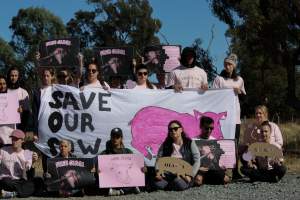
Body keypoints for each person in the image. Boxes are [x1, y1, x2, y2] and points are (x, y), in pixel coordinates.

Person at [212, 53, 245, 179]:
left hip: (235, 117)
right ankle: (220, 169)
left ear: (234, 66)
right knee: (221, 142)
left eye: (230, 64)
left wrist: (240, 92)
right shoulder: (219, 79)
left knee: (234, 143)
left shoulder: (239, 80)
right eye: (226, 64)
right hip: (222, 118)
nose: (227, 66)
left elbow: (244, 98)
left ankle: (235, 171)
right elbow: (213, 96)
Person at [154, 120, 200, 191]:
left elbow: (197, 161)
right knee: (157, 184)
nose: (173, 131)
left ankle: (174, 184)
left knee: (178, 183)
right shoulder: (165, 144)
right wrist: (158, 173)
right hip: (168, 173)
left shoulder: (190, 143)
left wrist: (190, 175)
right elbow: (158, 159)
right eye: (170, 129)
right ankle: (171, 184)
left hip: (184, 174)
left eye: (175, 128)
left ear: (181, 130)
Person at [0, 129, 43, 198]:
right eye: (12, 139)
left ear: (22, 140)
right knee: (5, 181)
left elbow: (29, 174)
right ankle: (27, 191)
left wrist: (33, 162)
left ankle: (13, 194)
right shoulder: (3, 150)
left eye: (16, 139)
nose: (14, 141)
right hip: (6, 180)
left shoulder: (27, 153)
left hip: (19, 181)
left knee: (39, 180)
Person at [100, 128, 141, 196]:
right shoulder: (105, 153)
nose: (115, 139)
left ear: (121, 138)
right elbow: (98, 165)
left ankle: (119, 191)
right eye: (113, 136)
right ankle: (127, 190)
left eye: (117, 137)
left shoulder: (128, 152)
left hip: (124, 179)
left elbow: (137, 163)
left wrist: (143, 167)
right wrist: (98, 169)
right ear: (111, 138)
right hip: (111, 180)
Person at [194, 116, 231, 185]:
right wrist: (198, 168)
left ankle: (208, 180)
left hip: (212, 169)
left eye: (211, 128)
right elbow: (190, 159)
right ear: (201, 127)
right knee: (198, 181)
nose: (209, 130)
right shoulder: (193, 141)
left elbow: (218, 159)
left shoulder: (215, 141)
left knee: (226, 179)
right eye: (206, 128)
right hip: (200, 170)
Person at [6, 67, 30, 132]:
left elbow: (26, 115)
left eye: (15, 75)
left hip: (18, 129)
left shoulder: (23, 92)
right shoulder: (4, 92)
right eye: (12, 76)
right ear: (8, 76)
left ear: (18, 77)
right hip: (5, 129)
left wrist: (22, 131)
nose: (13, 78)